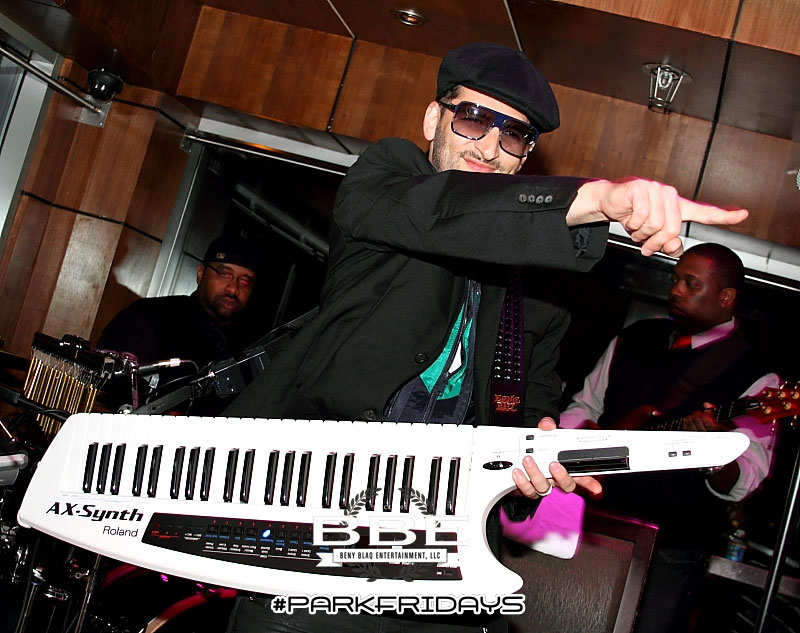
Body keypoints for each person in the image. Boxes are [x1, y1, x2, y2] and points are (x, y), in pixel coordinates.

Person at [223, 43, 749, 633]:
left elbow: (526, 423)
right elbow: (442, 212)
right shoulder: (386, 181)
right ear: (434, 119)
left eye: (514, 136)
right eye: (473, 119)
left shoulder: (541, 289)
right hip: (314, 546)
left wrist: (534, 472)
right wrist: (598, 199)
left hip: (444, 573)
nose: (490, 147)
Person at [559, 243, 780, 633]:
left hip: (671, 547)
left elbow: (747, 477)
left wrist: (713, 454)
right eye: (675, 279)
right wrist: (582, 450)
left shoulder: (757, 375)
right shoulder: (635, 337)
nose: (676, 290)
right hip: (593, 523)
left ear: (726, 297)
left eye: (691, 283)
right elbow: (582, 408)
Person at [97, 233, 263, 412]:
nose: (233, 289)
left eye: (245, 281)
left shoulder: (253, 346)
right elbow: (107, 389)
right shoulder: (149, 317)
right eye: (225, 274)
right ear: (201, 273)